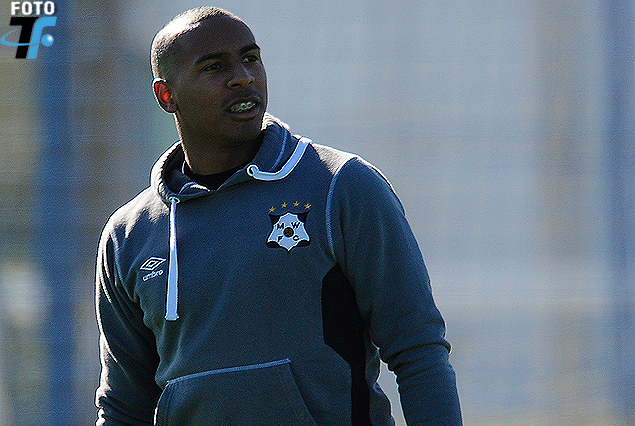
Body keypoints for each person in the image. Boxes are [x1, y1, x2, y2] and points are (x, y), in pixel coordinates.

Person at [95, 6, 462, 426]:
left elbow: (418, 349)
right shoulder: (129, 236)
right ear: (167, 96)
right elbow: (123, 406)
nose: (242, 77)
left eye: (250, 58)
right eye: (214, 67)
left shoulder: (341, 186)